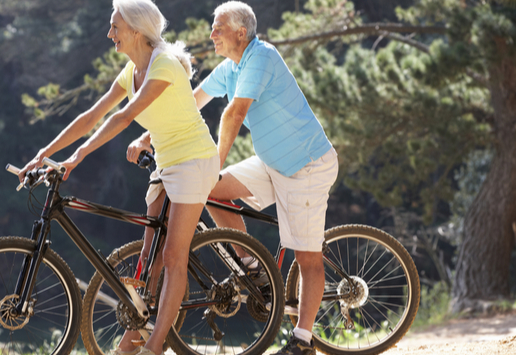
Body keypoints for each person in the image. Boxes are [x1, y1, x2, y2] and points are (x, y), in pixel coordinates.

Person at [18, 1, 219, 355]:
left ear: (137, 31)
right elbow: (91, 115)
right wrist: (42, 154)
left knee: (172, 257)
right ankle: (132, 341)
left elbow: (124, 118)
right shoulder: (130, 71)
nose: (109, 33)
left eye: (115, 27)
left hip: (194, 161)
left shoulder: (165, 65)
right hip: (166, 163)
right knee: (148, 257)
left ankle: (154, 347)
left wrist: (76, 158)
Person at [193, 2, 339, 355]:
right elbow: (191, 101)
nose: (211, 35)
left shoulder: (261, 57)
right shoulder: (232, 66)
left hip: (306, 165)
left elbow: (234, 112)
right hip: (273, 162)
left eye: (218, 29)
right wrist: (146, 138)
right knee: (207, 189)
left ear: (240, 33)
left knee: (307, 259)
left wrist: (216, 159)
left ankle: (303, 341)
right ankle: (254, 268)